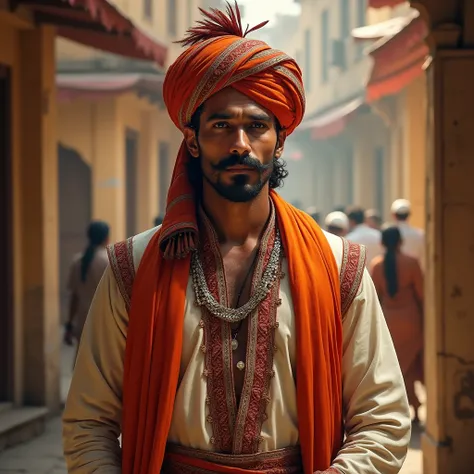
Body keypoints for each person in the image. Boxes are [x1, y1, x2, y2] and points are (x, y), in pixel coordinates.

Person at [63, 4, 410, 474]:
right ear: (192, 139)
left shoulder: (337, 264)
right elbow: (89, 422)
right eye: (222, 125)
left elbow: (383, 419)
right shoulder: (134, 265)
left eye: (257, 126)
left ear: (280, 139)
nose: (240, 144)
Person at [370, 226, 424, 425]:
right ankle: (416, 410)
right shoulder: (411, 263)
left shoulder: (377, 265)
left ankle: (398, 412)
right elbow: (422, 294)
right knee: (411, 368)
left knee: (396, 370)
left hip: (389, 322)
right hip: (411, 320)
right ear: (401, 241)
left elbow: (375, 297)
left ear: (382, 243)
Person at [64, 221, 110, 357]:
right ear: (106, 237)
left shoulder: (78, 261)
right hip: (104, 322)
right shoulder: (108, 261)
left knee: (82, 362)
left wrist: (69, 324)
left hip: (82, 321)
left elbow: (74, 297)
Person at [391, 199, 425, 270]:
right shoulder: (420, 234)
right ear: (409, 215)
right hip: (415, 273)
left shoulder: (389, 234)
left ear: (393, 215)